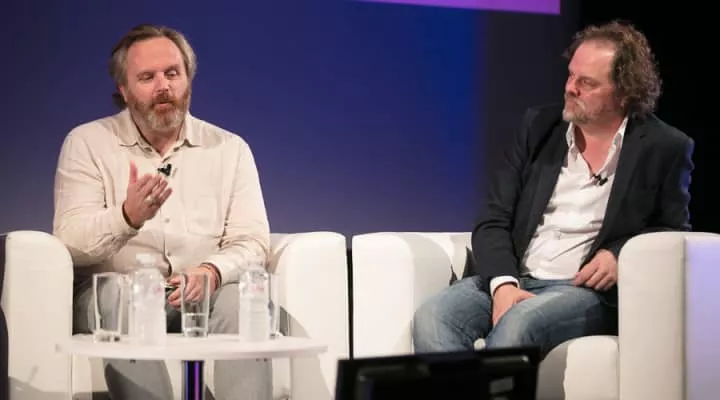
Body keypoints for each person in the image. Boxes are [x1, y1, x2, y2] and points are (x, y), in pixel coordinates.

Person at [412, 20, 694, 359]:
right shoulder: (538, 127)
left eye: (586, 83)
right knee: (432, 319)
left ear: (624, 92)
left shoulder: (664, 147)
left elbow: (673, 231)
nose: (571, 88)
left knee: (519, 324)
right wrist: (503, 284)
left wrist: (619, 253)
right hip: (516, 274)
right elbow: (493, 219)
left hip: (582, 291)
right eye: (571, 75)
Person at [53, 24, 272, 399]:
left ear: (188, 80)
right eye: (147, 77)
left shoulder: (230, 149)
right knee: (119, 296)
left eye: (172, 73)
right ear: (124, 90)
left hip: (198, 293)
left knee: (239, 299)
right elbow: (69, 242)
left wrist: (212, 271)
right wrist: (126, 217)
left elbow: (252, 240)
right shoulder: (87, 143)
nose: (163, 86)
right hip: (116, 296)